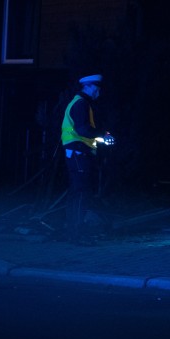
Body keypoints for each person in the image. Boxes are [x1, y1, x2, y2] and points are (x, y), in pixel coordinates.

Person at [60, 73, 114, 243]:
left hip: (77, 152)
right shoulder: (81, 104)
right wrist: (103, 135)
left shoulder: (81, 103)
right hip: (78, 152)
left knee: (77, 192)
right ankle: (76, 235)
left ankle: (73, 232)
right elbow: (82, 130)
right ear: (88, 86)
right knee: (81, 192)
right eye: (97, 88)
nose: (99, 92)